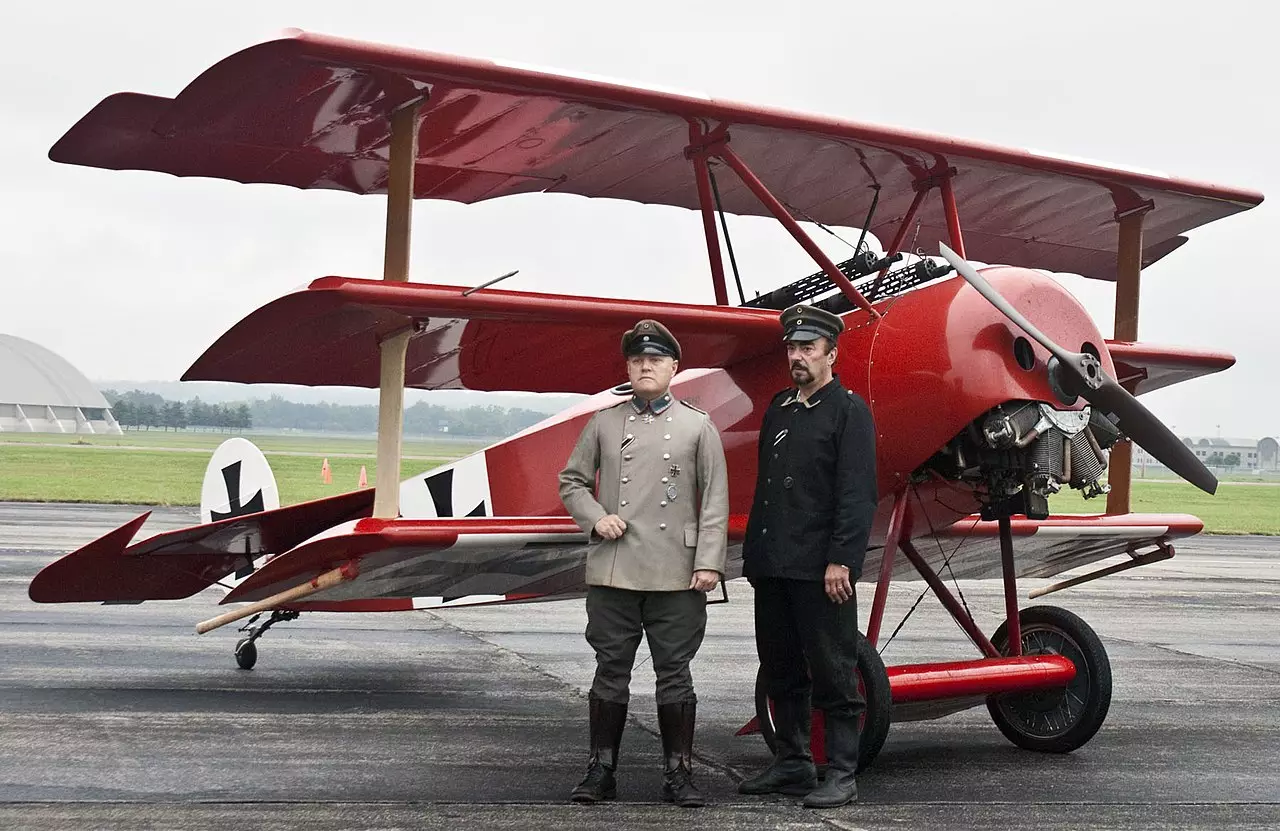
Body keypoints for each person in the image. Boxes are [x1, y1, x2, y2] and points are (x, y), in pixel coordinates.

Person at [559, 319, 729, 808]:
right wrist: (595, 518)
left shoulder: (699, 425)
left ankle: (679, 774)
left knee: (675, 672)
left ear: (674, 368)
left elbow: (715, 498)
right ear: (628, 368)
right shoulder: (604, 423)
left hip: (677, 571)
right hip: (615, 567)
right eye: (637, 360)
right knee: (610, 669)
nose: (646, 366)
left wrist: (709, 562)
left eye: (655, 360)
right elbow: (571, 481)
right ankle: (600, 771)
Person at [738, 303, 878, 809]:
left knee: (834, 669)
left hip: (822, 570)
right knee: (780, 667)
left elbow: (857, 493)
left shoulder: (848, 410)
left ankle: (842, 770)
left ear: (831, 354)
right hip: (774, 563)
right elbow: (770, 491)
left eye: (808, 348)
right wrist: (757, 557)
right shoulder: (781, 407)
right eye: (792, 348)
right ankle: (793, 762)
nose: (797, 356)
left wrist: (843, 558)